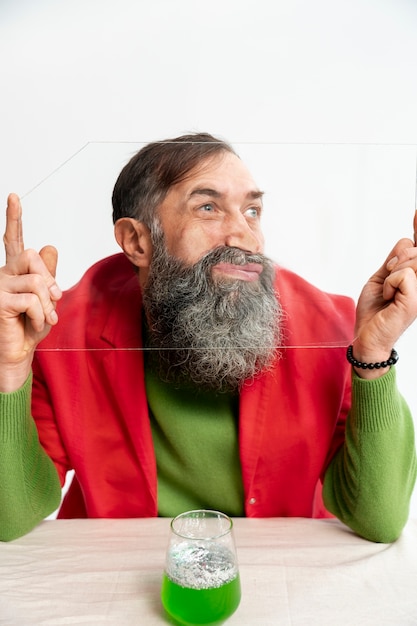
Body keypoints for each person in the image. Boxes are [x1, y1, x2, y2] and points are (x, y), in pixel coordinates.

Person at [1, 133, 417, 543]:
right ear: (137, 241)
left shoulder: (329, 325)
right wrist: (10, 367)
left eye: (252, 210)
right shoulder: (60, 329)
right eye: (208, 207)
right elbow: (10, 516)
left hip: (280, 570)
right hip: (115, 571)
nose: (246, 238)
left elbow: (378, 520)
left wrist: (373, 354)